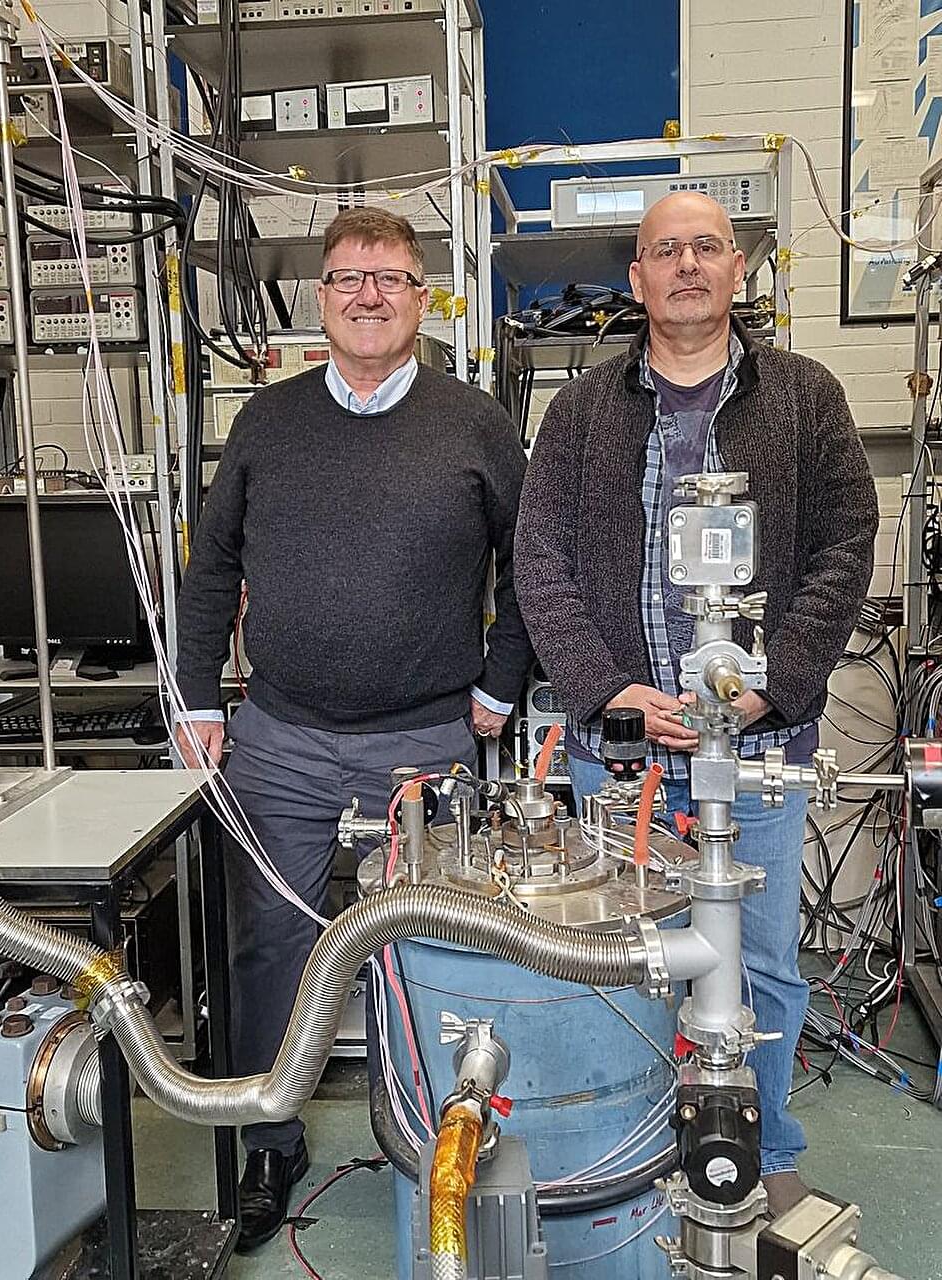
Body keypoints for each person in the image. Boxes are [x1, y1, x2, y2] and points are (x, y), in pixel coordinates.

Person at [513, 191, 878, 1218]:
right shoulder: (580, 410)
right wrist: (606, 688)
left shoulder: (802, 396)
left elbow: (847, 542)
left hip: (756, 747)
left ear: (736, 269)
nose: (685, 265)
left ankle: (758, 1151)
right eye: (664, 250)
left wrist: (773, 681)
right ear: (635, 279)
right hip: (621, 752)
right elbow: (538, 560)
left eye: (705, 247)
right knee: (622, 964)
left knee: (760, 964)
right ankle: (630, 1156)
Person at [175, 207, 533, 1252]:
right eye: (346, 277)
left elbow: (528, 566)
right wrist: (198, 697)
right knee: (271, 942)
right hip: (281, 734)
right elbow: (212, 568)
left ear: (422, 298)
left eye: (390, 277)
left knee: (422, 949)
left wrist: (501, 684)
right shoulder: (267, 421)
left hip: (424, 738)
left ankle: (423, 1136)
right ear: (321, 299)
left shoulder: (473, 423)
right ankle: (269, 1139)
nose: (368, 294)